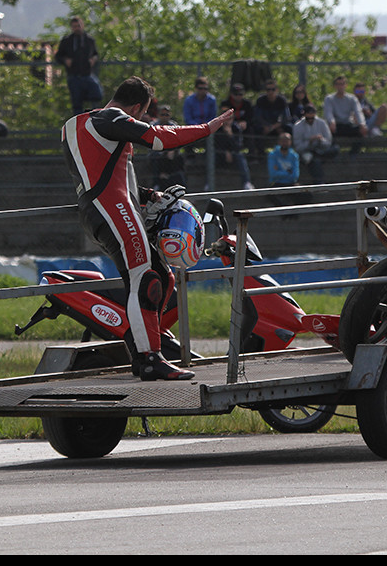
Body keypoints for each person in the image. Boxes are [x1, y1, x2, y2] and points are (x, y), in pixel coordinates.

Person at [61, 76, 232, 380]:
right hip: (112, 208)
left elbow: (102, 171)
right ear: (138, 107)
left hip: (100, 208)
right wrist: (208, 128)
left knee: (162, 278)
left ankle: (144, 346)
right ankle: (150, 358)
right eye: (142, 114)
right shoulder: (113, 118)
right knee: (146, 279)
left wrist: (148, 195)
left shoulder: (80, 124)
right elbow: (159, 138)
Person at [55, 16, 103, 115]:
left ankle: (94, 120)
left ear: (82, 25)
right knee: (77, 104)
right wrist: (65, 60)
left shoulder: (89, 40)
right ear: (72, 28)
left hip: (87, 74)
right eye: (74, 26)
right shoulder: (67, 41)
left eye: (79, 26)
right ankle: (78, 126)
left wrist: (93, 59)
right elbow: (58, 56)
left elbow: (95, 54)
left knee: (97, 95)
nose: (77, 28)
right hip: (74, 76)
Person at [292, 103, 337, 184]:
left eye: (312, 118)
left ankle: (317, 156)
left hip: (321, 149)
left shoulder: (322, 123)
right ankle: (319, 183)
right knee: (314, 161)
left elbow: (328, 141)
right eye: (308, 118)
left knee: (335, 149)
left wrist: (320, 140)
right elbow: (298, 147)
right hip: (306, 151)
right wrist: (309, 142)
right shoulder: (298, 126)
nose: (310, 120)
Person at [147, 104, 186, 190]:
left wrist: (171, 150)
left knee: (179, 158)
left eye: (167, 115)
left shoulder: (173, 126)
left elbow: (178, 142)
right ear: (158, 115)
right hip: (156, 152)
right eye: (162, 115)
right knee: (157, 159)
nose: (165, 117)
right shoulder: (153, 126)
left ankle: (181, 185)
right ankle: (156, 184)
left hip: (170, 152)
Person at [323, 75, 366, 152]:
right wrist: (332, 122)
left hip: (347, 125)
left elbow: (358, 112)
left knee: (360, 131)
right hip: (336, 126)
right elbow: (328, 112)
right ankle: (331, 153)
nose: (340, 86)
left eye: (342, 84)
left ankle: (353, 155)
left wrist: (362, 124)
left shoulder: (352, 98)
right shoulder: (329, 99)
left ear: (346, 85)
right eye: (338, 84)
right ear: (335, 86)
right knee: (327, 132)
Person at [214, 109, 255, 190]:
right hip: (220, 153)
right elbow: (215, 145)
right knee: (212, 158)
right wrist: (225, 152)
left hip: (234, 153)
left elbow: (238, 146)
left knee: (240, 157)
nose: (228, 121)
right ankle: (208, 183)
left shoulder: (236, 128)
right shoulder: (217, 128)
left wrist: (231, 135)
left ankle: (246, 182)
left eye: (230, 119)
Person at [253, 80, 291, 156]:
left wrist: (273, 127)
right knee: (255, 129)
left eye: (273, 89)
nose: (270, 92)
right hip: (264, 126)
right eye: (268, 90)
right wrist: (266, 126)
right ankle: (259, 155)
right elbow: (258, 117)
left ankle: (288, 153)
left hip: (276, 126)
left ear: (276, 90)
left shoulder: (281, 100)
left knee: (289, 128)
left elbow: (286, 117)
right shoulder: (261, 100)